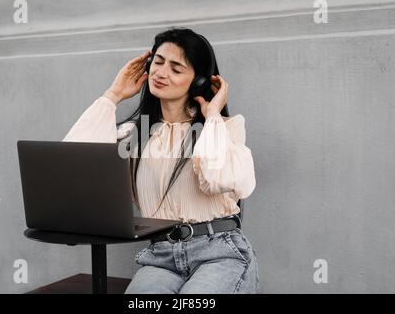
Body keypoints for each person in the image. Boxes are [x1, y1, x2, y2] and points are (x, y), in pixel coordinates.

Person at [63, 27, 259, 294]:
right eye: (158, 61)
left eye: (176, 69)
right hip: (160, 257)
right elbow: (74, 167)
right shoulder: (134, 136)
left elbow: (218, 179)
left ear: (199, 81)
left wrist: (211, 115)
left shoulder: (223, 128)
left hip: (220, 251)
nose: (161, 72)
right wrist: (113, 94)